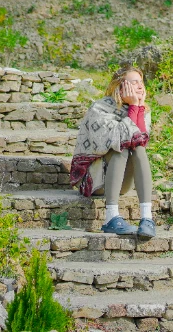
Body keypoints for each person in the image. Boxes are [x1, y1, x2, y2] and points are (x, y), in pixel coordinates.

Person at [69, 66, 155, 239]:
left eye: (141, 82)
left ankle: (147, 218)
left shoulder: (142, 110)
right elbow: (112, 140)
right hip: (94, 181)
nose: (139, 86)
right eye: (134, 82)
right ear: (120, 86)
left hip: (121, 183)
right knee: (120, 146)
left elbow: (141, 139)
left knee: (138, 146)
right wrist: (134, 108)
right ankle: (111, 217)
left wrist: (136, 107)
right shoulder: (99, 109)